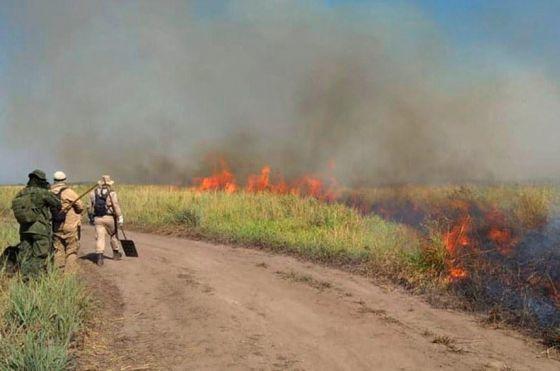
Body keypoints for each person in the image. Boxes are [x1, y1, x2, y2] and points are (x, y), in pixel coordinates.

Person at [11, 169, 61, 278]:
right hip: (40, 230)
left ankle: (24, 278)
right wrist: (48, 190)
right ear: (41, 181)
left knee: (25, 255)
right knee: (39, 256)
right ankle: (34, 280)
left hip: (24, 230)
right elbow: (57, 204)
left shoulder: (21, 192)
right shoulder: (42, 192)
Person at [50, 171, 84, 274]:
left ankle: (58, 274)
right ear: (65, 180)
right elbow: (80, 207)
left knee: (58, 250)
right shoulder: (69, 192)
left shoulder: (49, 192)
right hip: (70, 226)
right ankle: (69, 277)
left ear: (54, 180)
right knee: (71, 250)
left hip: (55, 226)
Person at [88, 175, 124, 266]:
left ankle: (100, 257)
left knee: (100, 237)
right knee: (113, 235)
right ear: (109, 184)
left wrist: (90, 217)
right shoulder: (112, 193)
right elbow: (115, 205)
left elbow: (89, 207)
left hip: (97, 218)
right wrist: (120, 216)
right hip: (109, 218)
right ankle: (116, 253)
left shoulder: (93, 193)